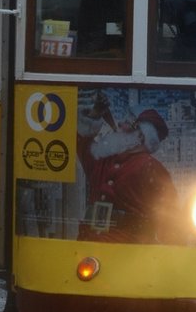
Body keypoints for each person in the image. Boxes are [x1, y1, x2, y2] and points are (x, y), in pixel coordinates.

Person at [76, 104, 182, 243]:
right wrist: (92, 116)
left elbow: (169, 218)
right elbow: (79, 140)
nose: (119, 124)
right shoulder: (103, 159)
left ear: (140, 135)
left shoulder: (152, 168)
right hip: (88, 245)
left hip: (129, 252)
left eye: (127, 122)